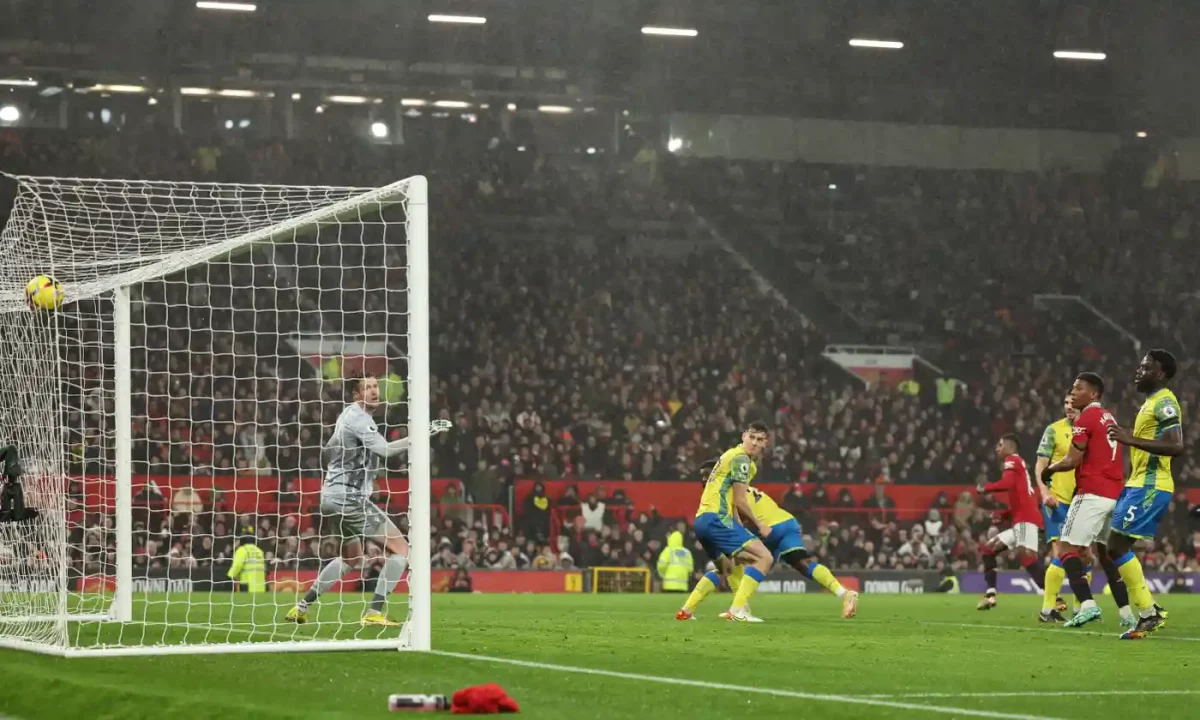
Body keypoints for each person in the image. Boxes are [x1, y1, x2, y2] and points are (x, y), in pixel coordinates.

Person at [286, 373, 450, 626]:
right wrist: (424, 432)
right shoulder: (360, 419)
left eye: (375, 386)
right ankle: (374, 611)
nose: (374, 391)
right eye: (367, 388)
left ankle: (301, 606)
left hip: (330, 497)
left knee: (351, 559)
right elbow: (385, 450)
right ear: (356, 394)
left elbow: (328, 451)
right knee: (403, 550)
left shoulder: (347, 416)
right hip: (349, 499)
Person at [1041, 373, 1130, 628]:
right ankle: (1127, 613)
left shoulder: (1086, 418)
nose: (1073, 393)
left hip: (1092, 491)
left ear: (1093, 394)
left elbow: (1072, 459)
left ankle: (1087, 605)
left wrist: (1049, 470)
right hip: (1114, 493)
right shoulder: (1108, 416)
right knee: (1104, 554)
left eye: (1078, 389)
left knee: (1064, 548)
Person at [1106, 349, 1182, 639]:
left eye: (1146, 368)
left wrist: (1131, 439)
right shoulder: (1150, 402)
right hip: (1138, 483)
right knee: (1116, 546)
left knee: (1116, 546)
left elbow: (1175, 446)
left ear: (1160, 374)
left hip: (1151, 484)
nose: (1139, 372)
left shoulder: (1165, 402)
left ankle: (1149, 613)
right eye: (1140, 367)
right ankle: (1148, 611)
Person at [675, 421, 774, 623]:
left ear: (766, 443)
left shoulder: (733, 456)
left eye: (760, 439)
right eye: (752, 437)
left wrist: (738, 526)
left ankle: (686, 611)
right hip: (717, 519)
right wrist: (759, 524)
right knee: (764, 557)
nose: (755, 443)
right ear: (743, 436)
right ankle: (737, 610)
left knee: (727, 568)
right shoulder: (741, 459)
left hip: (702, 520)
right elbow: (740, 500)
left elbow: (731, 500)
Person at [731, 479, 858, 619]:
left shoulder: (729, 492)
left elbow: (738, 518)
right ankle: (844, 593)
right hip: (787, 522)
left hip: (768, 528)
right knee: (802, 563)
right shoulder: (745, 487)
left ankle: (739, 608)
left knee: (739, 561)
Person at [975, 434, 1046, 611]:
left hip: (1026, 520)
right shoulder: (1019, 466)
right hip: (1021, 519)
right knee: (988, 550)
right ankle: (990, 595)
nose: (997, 448)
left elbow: (1007, 483)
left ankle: (1055, 598)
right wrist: (1005, 515)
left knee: (1026, 557)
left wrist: (986, 488)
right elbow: (1024, 497)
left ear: (1010, 447)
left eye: (1000, 445)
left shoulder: (1012, 460)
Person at [1034, 395, 1082, 622]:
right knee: (1062, 552)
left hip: (1082, 500)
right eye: (1065, 403)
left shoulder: (1089, 429)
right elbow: (1040, 465)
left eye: (1073, 403)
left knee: (1084, 553)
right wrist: (1045, 492)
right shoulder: (1053, 430)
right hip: (1057, 500)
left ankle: (1080, 608)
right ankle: (1048, 608)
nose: (1069, 407)